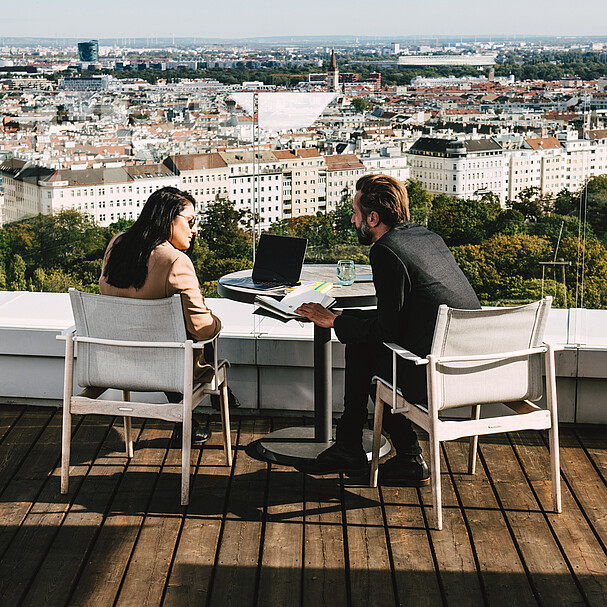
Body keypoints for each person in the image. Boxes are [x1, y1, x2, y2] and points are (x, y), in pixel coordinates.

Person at [295, 174, 481, 485]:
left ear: (373, 217)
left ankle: (358, 448)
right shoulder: (428, 238)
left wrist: (338, 323)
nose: (353, 219)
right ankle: (378, 452)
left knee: (362, 349)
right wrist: (343, 316)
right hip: (471, 367)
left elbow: (387, 332)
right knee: (361, 339)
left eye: (355, 212)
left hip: (434, 377)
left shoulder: (386, 251)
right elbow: (401, 316)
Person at [99, 186, 221, 444]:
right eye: (190, 221)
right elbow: (204, 330)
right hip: (164, 369)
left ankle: (191, 418)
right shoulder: (176, 261)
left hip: (114, 361)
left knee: (164, 336)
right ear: (168, 220)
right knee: (196, 337)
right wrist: (217, 321)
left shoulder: (117, 244)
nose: (194, 230)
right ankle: (215, 393)